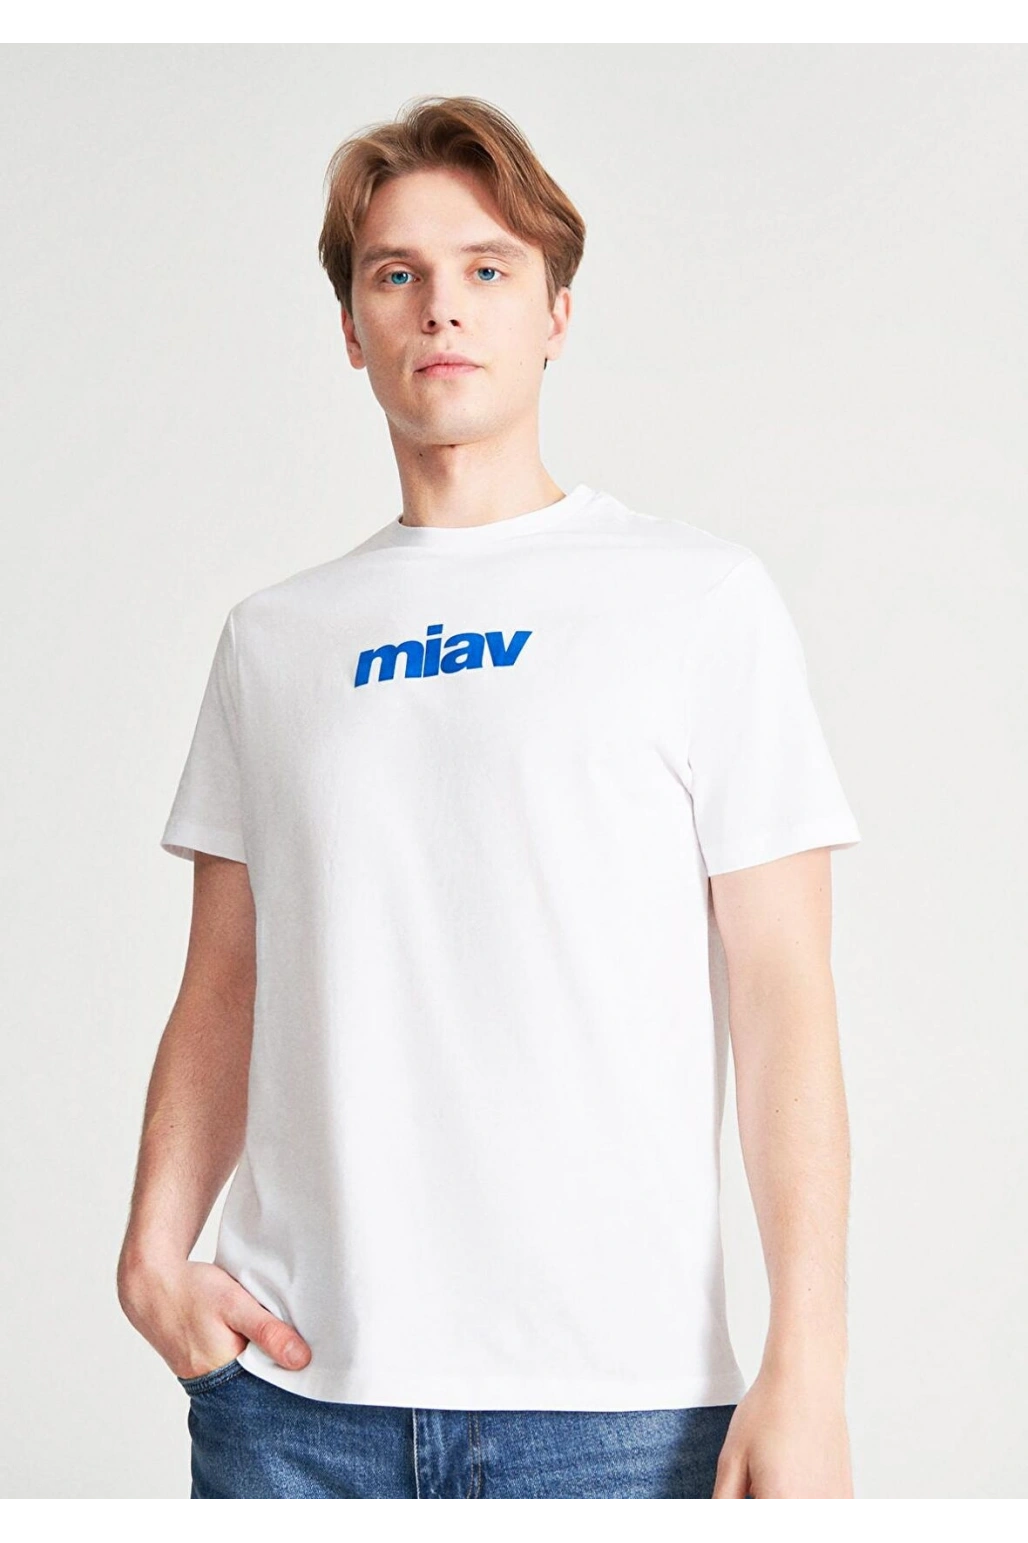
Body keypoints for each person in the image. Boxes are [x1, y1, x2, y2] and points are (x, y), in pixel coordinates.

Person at [117, 93, 861, 1504]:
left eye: (487, 269)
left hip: (619, 1416)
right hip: (296, 1410)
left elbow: (784, 995)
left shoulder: (698, 600)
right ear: (353, 329)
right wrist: (154, 1253)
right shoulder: (275, 638)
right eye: (395, 273)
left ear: (556, 314)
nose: (440, 307)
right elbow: (226, 972)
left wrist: (807, 1363)